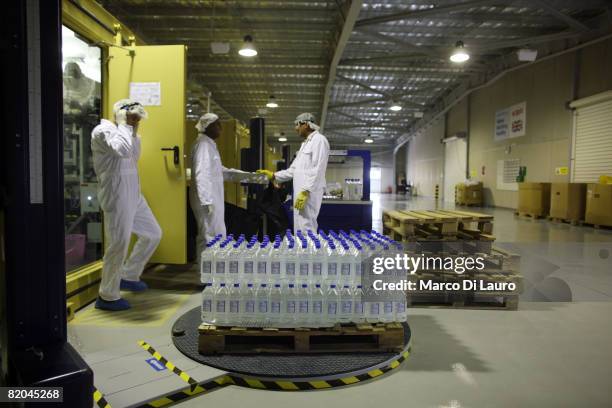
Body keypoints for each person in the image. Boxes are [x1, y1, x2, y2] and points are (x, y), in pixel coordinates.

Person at [91, 99, 162, 311]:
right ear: (120, 115)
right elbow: (121, 150)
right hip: (116, 193)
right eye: (132, 117)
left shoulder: (127, 132)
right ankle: (107, 295)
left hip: (133, 192)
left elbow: (134, 155)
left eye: (137, 118)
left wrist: (133, 129)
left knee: (153, 233)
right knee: (118, 244)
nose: (135, 121)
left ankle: (129, 275)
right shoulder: (103, 130)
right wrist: (125, 124)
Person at [190, 113, 261, 263]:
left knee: (215, 234)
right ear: (207, 126)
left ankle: (211, 273)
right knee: (210, 235)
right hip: (207, 200)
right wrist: (206, 201)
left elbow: (223, 172)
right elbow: (201, 173)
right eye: (217, 124)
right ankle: (208, 276)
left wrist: (256, 177)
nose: (221, 128)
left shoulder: (209, 145)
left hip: (212, 198)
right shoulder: (203, 145)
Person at [257, 113, 330, 232]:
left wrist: (307, 191)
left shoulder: (319, 140)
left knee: (306, 225)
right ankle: (301, 249)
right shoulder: (305, 145)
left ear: (306, 124)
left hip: (309, 193)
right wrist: (274, 175)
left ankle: (308, 250)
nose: (296, 128)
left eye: (297, 125)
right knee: (299, 224)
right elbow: (293, 170)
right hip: (301, 192)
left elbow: (319, 169)